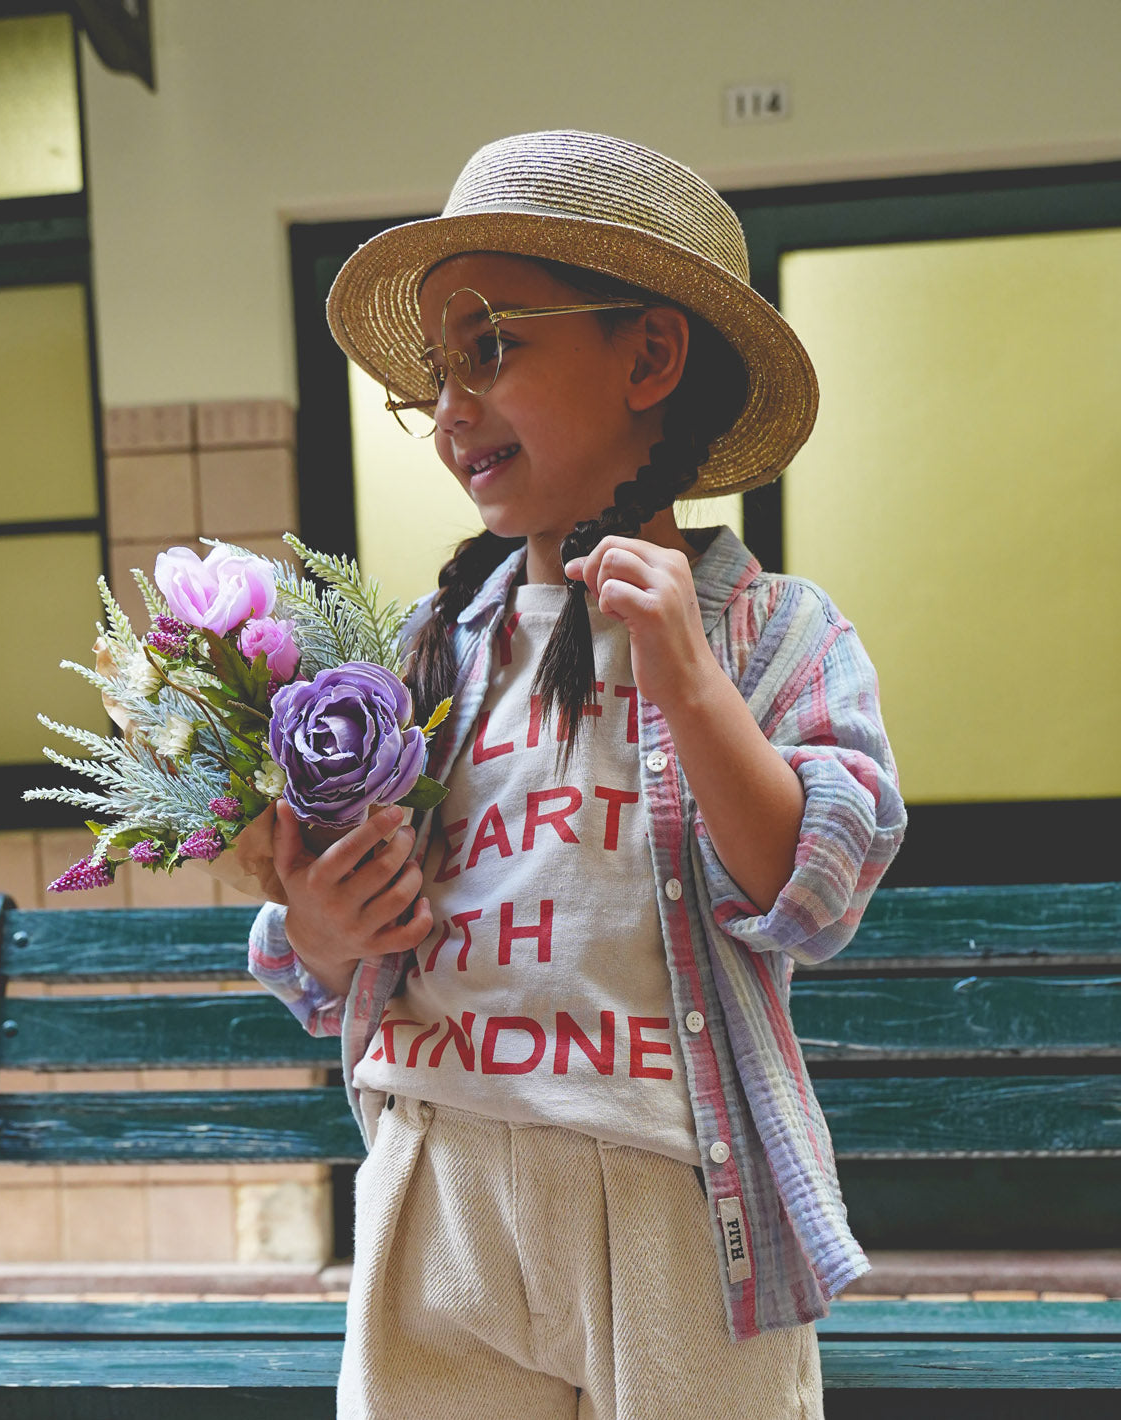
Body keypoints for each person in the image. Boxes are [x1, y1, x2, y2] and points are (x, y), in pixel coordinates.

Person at [249, 129, 907, 1419]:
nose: (450, 410)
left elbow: (815, 891)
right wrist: (322, 930)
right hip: (436, 1179)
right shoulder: (428, 652)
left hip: (672, 1198)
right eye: (435, 374)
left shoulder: (774, 637)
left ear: (650, 357)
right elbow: (327, 950)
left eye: (491, 347)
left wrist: (693, 687)